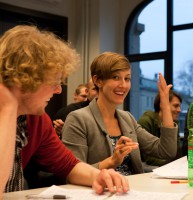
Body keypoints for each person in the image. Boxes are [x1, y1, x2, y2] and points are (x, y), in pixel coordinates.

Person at [0, 25, 128, 197]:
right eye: (54, 82)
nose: (58, 90)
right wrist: (8, 106)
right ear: (25, 80)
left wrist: (99, 175)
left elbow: (68, 165)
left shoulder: (37, 120)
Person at [62, 52, 178, 175]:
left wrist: (165, 103)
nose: (123, 85)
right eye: (116, 77)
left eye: (127, 79)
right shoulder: (78, 119)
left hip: (131, 189)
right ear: (98, 81)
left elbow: (166, 150)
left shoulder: (127, 118)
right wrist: (111, 161)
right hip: (99, 191)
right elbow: (72, 173)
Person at [138, 90, 182, 168]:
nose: (179, 110)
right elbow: (148, 157)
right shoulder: (146, 121)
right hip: (147, 166)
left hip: (166, 165)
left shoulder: (174, 123)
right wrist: (171, 164)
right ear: (163, 105)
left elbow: (176, 152)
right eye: (176, 106)